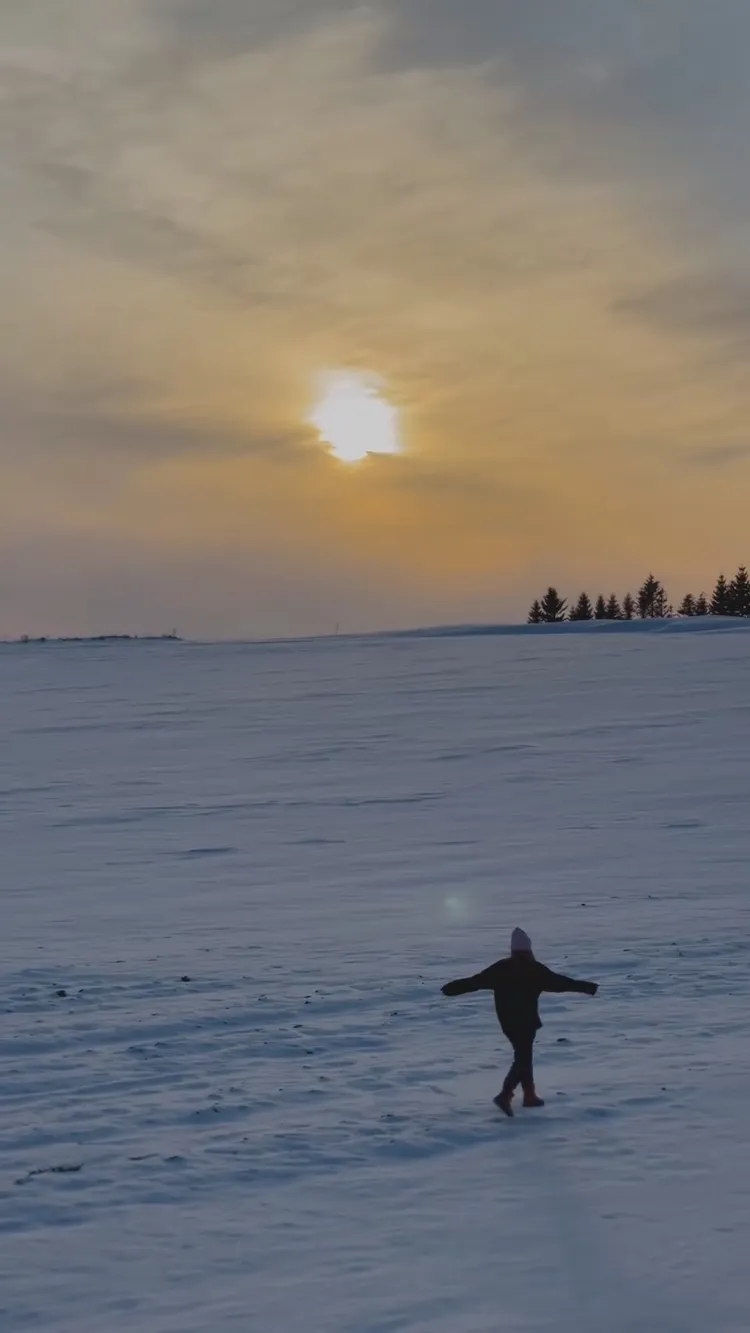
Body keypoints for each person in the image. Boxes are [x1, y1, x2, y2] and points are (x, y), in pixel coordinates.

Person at [441, 927, 598, 1116]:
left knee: (524, 1055)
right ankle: (505, 1095)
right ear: (529, 949)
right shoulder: (534, 969)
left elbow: (475, 982)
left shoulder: (501, 967)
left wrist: (451, 988)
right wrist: (586, 987)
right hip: (526, 1020)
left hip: (507, 1021)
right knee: (523, 1058)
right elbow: (559, 983)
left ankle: (529, 1095)